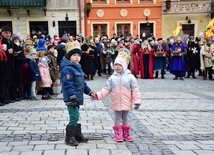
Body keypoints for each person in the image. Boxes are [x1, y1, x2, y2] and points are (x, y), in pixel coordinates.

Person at [93, 50, 141, 142]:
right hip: (116, 102)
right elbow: (106, 89)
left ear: (124, 66)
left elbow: (135, 90)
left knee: (126, 118)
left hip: (126, 102)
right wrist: (98, 96)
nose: (117, 67)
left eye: (119, 65)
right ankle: (118, 134)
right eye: (116, 65)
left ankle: (126, 134)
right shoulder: (112, 78)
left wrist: (137, 101)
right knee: (117, 118)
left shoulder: (130, 77)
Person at [60, 43, 95, 146]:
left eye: (79, 55)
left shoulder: (78, 67)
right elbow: (67, 84)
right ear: (69, 56)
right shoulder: (67, 69)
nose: (77, 57)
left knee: (76, 115)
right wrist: (72, 96)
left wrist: (89, 91)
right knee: (74, 116)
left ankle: (77, 134)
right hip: (71, 98)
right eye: (74, 55)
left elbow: (82, 83)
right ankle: (69, 137)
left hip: (77, 97)